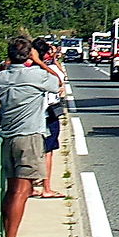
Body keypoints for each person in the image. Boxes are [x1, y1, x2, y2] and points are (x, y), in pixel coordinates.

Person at [0, 36, 63, 237]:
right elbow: (56, 82)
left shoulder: (0, 78)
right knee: (21, 191)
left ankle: (8, 236)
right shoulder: (37, 75)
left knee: (14, 189)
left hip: (7, 136)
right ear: (30, 55)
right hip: (29, 137)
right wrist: (38, 62)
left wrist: (5, 64)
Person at [31, 38, 67, 199]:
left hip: (32, 115)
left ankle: (31, 185)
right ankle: (46, 188)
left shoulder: (28, 70)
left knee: (33, 151)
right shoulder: (50, 69)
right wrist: (44, 62)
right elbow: (59, 81)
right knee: (48, 152)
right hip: (48, 114)